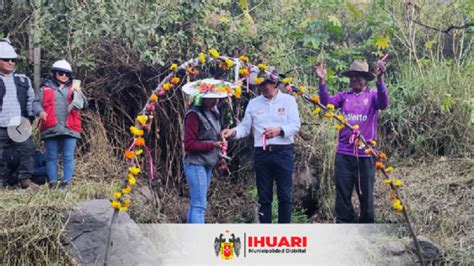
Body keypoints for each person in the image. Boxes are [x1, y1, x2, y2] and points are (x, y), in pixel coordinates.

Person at [222, 67, 301, 223]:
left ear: (275, 83)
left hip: (283, 152)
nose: (264, 87)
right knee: (264, 196)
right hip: (262, 154)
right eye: (261, 84)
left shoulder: (289, 101)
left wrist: (279, 131)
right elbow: (245, 128)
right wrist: (232, 132)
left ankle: (284, 233)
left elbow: (295, 125)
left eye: (267, 83)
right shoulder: (253, 103)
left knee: (285, 195)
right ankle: (266, 232)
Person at [315, 58, 388, 223]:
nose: (356, 79)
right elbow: (327, 104)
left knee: (366, 195)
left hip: (366, 155)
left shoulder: (372, 96)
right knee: (342, 195)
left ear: (366, 79)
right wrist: (322, 81)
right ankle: (344, 230)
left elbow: (384, 103)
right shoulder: (343, 96)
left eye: (360, 76)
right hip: (344, 154)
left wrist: (380, 79)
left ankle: (367, 233)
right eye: (353, 75)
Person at [34, 59, 88, 188]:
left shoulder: (74, 89)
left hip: (70, 128)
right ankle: (52, 182)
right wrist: (40, 112)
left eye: (67, 74)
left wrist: (79, 94)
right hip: (50, 127)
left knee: (68, 156)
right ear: (54, 73)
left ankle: (67, 183)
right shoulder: (45, 88)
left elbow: (85, 105)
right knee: (51, 156)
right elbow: (35, 103)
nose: (64, 76)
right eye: (60, 73)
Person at [182, 78, 229, 223]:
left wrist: (221, 155)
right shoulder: (193, 115)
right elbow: (189, 145)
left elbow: (214, 135)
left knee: (196, 203)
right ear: (202, 98)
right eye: (211, 98)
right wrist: (212, 145)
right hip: (195, 164)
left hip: (208, 163)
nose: (215, 101)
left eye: (216, 98)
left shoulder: (213, 112)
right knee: (199, 206)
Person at [0, 39, 36, 189]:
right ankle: (1, 182)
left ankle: (25, 180)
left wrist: (30, 117)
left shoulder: (23, 79)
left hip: (18, 124)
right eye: (6, 59)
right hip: (0, 124)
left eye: (13, 60)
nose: (10, 62)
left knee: (28, 149)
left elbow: (31, 100)